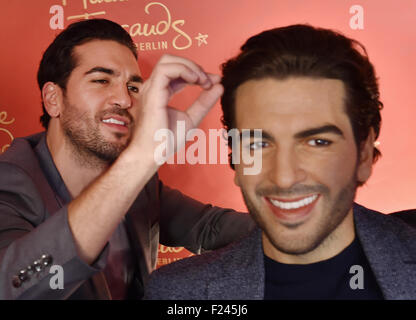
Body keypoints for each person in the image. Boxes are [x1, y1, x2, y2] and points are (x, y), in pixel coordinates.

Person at [145, 24, 416, 300]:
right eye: (259, 144)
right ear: (236, 159)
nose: (284, 177)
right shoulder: (176, 295)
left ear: (365, 154)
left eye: (317, 142)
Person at [0, 19, 255, 300]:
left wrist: (300, 228)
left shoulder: (138, 182)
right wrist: (141, 158)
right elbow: (11, 285)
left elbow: (209, 228)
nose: (123, 99)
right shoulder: (10, 184)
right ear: (53, 99)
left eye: (133, 87)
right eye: (101, 80)